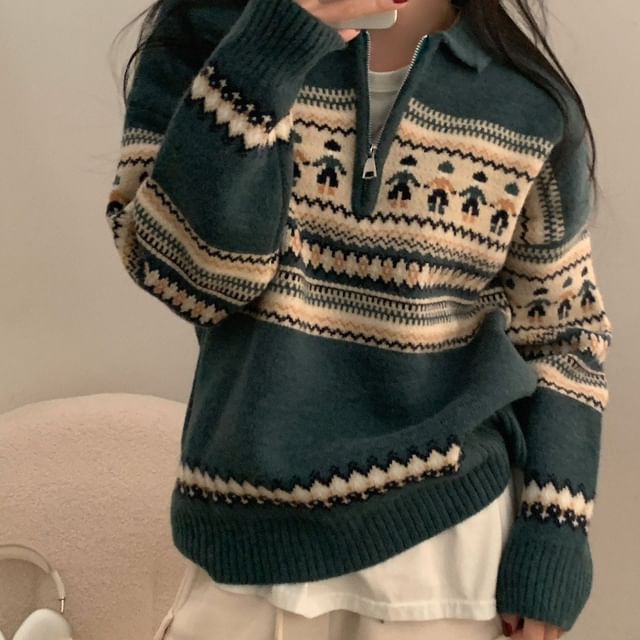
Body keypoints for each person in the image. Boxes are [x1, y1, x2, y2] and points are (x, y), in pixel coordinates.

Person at [105, 1, 613, 639]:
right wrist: (269, 51)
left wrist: (555, 535)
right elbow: (190, 285)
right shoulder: (213, 34)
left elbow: (563, 333)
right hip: (241, 554)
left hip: (443, 564)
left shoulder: (529, 101)